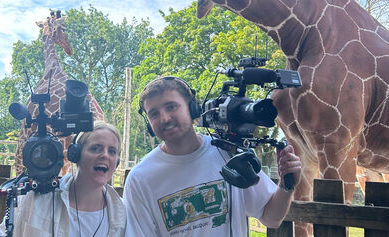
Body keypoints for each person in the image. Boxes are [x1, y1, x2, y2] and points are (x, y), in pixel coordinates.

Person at [123, 77, 301, 236]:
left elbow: (271, 218)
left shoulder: (228, 153)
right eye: (154, 113)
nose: (165, 118)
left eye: (171, 106)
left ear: (193, 108)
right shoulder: (140, 179)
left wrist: (286, 185)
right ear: (149, 124)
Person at [0, 121, 126, 237]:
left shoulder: (123, 213)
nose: (105, 155)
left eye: (112, 151)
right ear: (75, 154)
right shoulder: (33, 199)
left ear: (117, 161)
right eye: (95, 148)